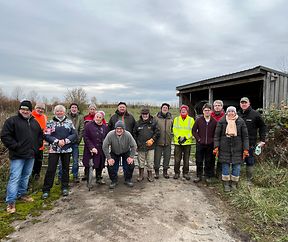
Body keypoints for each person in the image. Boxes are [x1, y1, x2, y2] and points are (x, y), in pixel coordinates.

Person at [1, 100, 43, 213]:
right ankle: (10, 202)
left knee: (25, 175)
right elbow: (5, 136)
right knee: (15, 177)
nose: (25, 111)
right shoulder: (12, 121)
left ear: (31, 111)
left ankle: (22, 194)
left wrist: (37, 147)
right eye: (23, 109)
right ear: (19, 109)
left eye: (27, 109)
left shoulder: (34, 123)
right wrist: (15, 146)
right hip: (18, 155)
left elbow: (40, 135)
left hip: (31, 155)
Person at [42, 105, 77, 199]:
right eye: (57, 111)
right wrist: (56, 141)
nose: (59, 112)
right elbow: (46, 135)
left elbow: (74, 134)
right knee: (51, 169)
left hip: (66, 149)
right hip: (54, 149)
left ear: (64, 112)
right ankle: (46, 189)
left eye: (61, 111)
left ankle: (64, 187)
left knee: (65, 168)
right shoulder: (50, 122)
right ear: (55, 112)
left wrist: (65, 141)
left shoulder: (69, 122)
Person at [213, 106, 249, 192]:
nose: (231, 113)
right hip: (224, 148)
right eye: (229, 111)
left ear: (235, 112)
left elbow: (245, 137)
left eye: (233, 111)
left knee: (236, 166)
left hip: (238, 148)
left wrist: (246, 149)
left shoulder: (240, 121)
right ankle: (226, 184)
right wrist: (216, 147)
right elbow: (217, 136)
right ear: (226, 112)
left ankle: (233, 184)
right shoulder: (222, 121)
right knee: (225, 166)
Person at [238, 97, 266, 183]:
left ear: (249, 103)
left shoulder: (255, 114)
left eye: (245, 102)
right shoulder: (237, 114)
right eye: (242, 103)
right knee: (238, 161)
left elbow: (263, 126)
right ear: (240, 104)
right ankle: (237, 178)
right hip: (238, 143)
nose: (244, 104)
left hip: (250, 142)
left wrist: (263, 140)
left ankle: (249, 180)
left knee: (249, 161)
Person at [103, 120, 137, 189]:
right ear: (115, 129)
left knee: (131, 164)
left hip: (126, 151)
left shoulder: (128, 134)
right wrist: (109, 158)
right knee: (110, 165)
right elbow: (105, 146)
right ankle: (114, 180)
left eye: (121, 129)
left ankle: (128, 179)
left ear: (123, 129)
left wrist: (131, 157)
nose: (119, 130)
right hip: (114, 152)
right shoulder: (110, 134)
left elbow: (134, 146)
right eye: (117, 129)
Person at [192, 103, 217, 183]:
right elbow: (193, 131)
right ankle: (199, 176)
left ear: (211, 111)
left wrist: (212, 140)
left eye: (208, 110)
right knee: (199, 160)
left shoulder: (214, 121)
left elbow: (216, 133)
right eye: (205, 110)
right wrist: (198, 139)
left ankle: (207, 176)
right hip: (200, 144)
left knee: (208, 161)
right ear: (203, 111)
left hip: (210, 145)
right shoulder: (198, 120)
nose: (207, 112)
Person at [134, 106, 160, 182]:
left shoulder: (153, 122)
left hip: (150, 146)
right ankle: (141, 175)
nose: (145, 115)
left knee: (150, 161)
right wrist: (136, 143)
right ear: (141, 114)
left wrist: (152, 140)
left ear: (149, 114)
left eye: (146, 114)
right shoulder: (138, 123)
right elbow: (134, 134)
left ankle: (150, 175)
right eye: (143, 114)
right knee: (141, 161)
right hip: (141, 146)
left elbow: (157, 132)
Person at [82, 111, 108, 184]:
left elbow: (106, 137)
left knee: (100, 164)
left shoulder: (104, 127)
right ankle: (88, 179)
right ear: (94, 117)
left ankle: (98, 178)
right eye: (97, 116)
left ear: (102, 118)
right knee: (89, 164)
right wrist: (91, 147)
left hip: (100, 149)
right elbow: (86, 137)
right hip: (90, 149)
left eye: (100, 117)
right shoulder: (88, 125)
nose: (98, 118)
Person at [172, 105, 195, 180]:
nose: (183, 111)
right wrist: (179, 137)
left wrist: (185, 137)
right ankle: (176, 173)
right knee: (177, 159)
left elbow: (192, 130)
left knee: (186, 159)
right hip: (178, 142)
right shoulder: (176, 119)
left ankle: (185, 173)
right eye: (182, 110)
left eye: (185, 110)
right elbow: (174, 129)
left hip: (187, 142)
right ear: (180, 111)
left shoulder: (191, 120)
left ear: (187, 111)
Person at [65, 103, 84, 183]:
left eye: (75, 107)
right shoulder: (66, 116)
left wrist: (78, 140)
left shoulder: (80, 117)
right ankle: (62, 176)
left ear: (77, 109)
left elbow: (82, 129)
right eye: (72, 107)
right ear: (70, 109)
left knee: (75, 160)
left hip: (75, 142)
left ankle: (75, 176)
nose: (74, 109)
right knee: (64, 160)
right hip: (66, 142)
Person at [154, 103, 173, 179]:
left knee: (167, 157)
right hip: (158, 141)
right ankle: (156, 172)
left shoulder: (171, 118)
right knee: (157, 158)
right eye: (163, 107)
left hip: (168, 141)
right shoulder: (156, 118)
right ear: (161, 108)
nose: (165, 109)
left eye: (166, 108)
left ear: (168, 109)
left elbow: (173, 129)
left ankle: (165, 172)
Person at [31, 102, 47, 181]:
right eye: (39, 108)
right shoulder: (30, 116)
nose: (40, 110)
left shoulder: (44, 117)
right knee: (30, 163)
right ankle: (29, 180)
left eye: (42, 109)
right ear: (35, 108)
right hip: (31, 145)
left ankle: (36, 178)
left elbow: (45, 129)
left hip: (41, 145)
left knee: (39, 162)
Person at [211, 100, 225, 178]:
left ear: (222, 107)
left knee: (221, 157)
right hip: (211, 139)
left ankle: (219, 173)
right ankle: (211, 173)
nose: (217, 107)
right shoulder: (210, 115)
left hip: (222, 139)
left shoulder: (225, 116)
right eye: (216, 105)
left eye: (219, 105)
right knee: (211, 157)